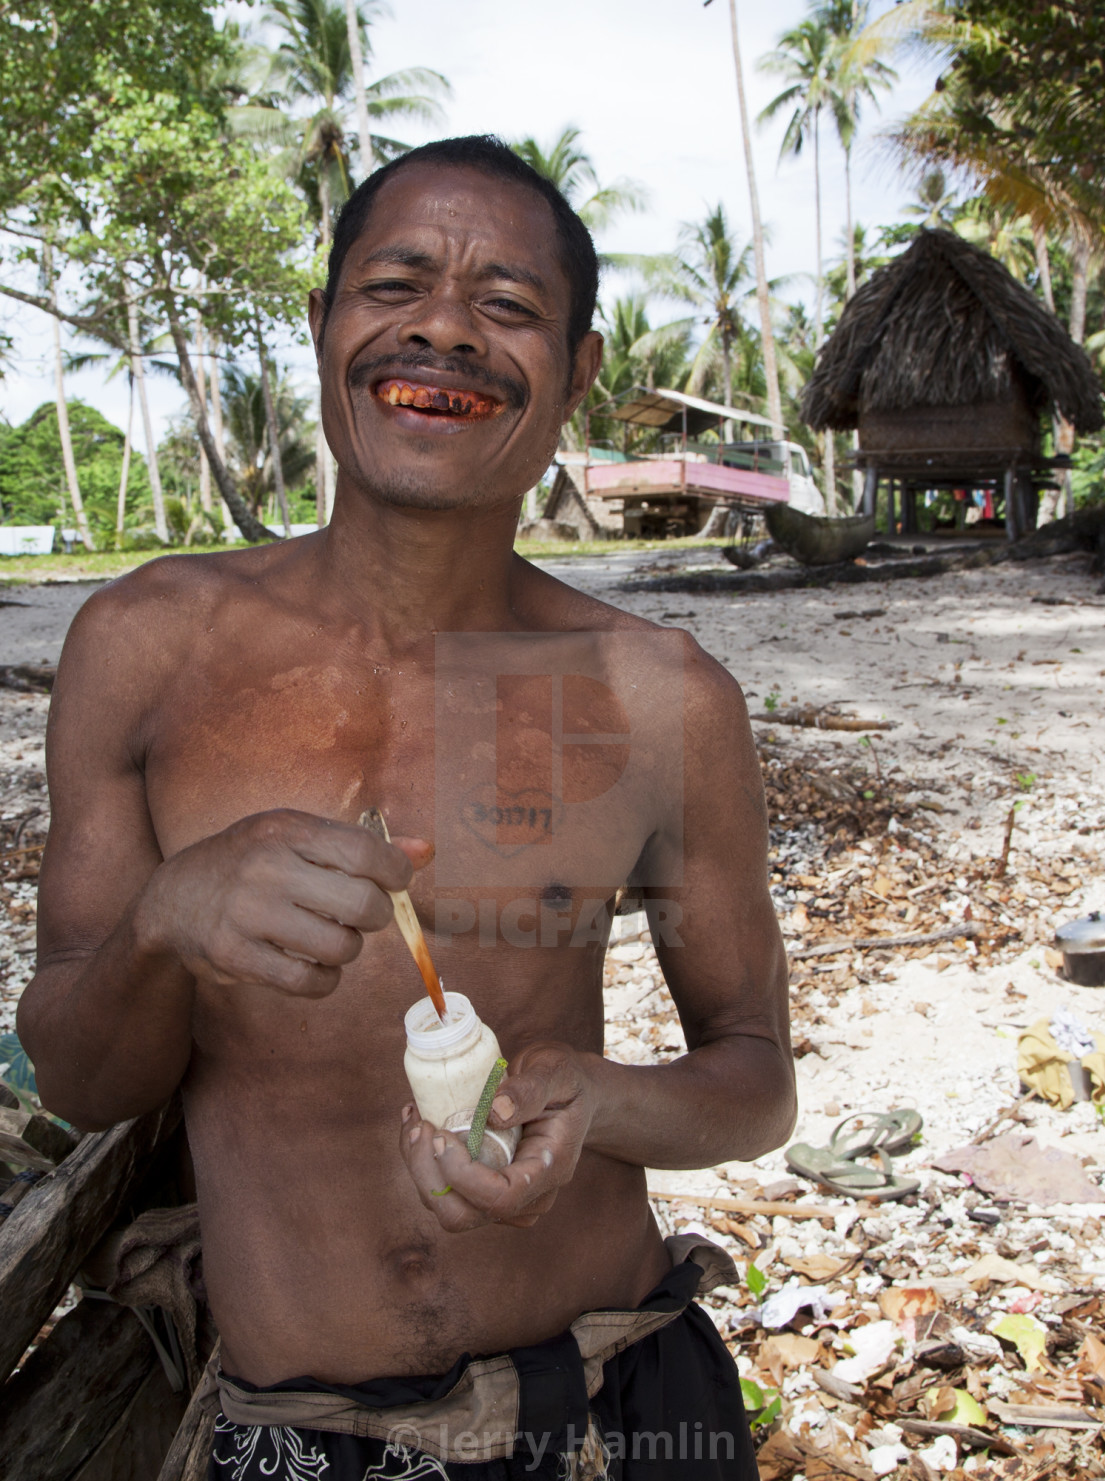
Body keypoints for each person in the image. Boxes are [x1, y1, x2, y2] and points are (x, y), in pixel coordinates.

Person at [19, 136, 795, 1480]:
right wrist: (163, 924)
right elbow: (85, 1075)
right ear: (323, 327)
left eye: (507, 304)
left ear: (580, 373)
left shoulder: (657, 697)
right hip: (302, 1431)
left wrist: (597, 1105)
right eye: (398, 287)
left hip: (614, 1402)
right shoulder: (148, 647)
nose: (445, 328)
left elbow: (756, 1076)